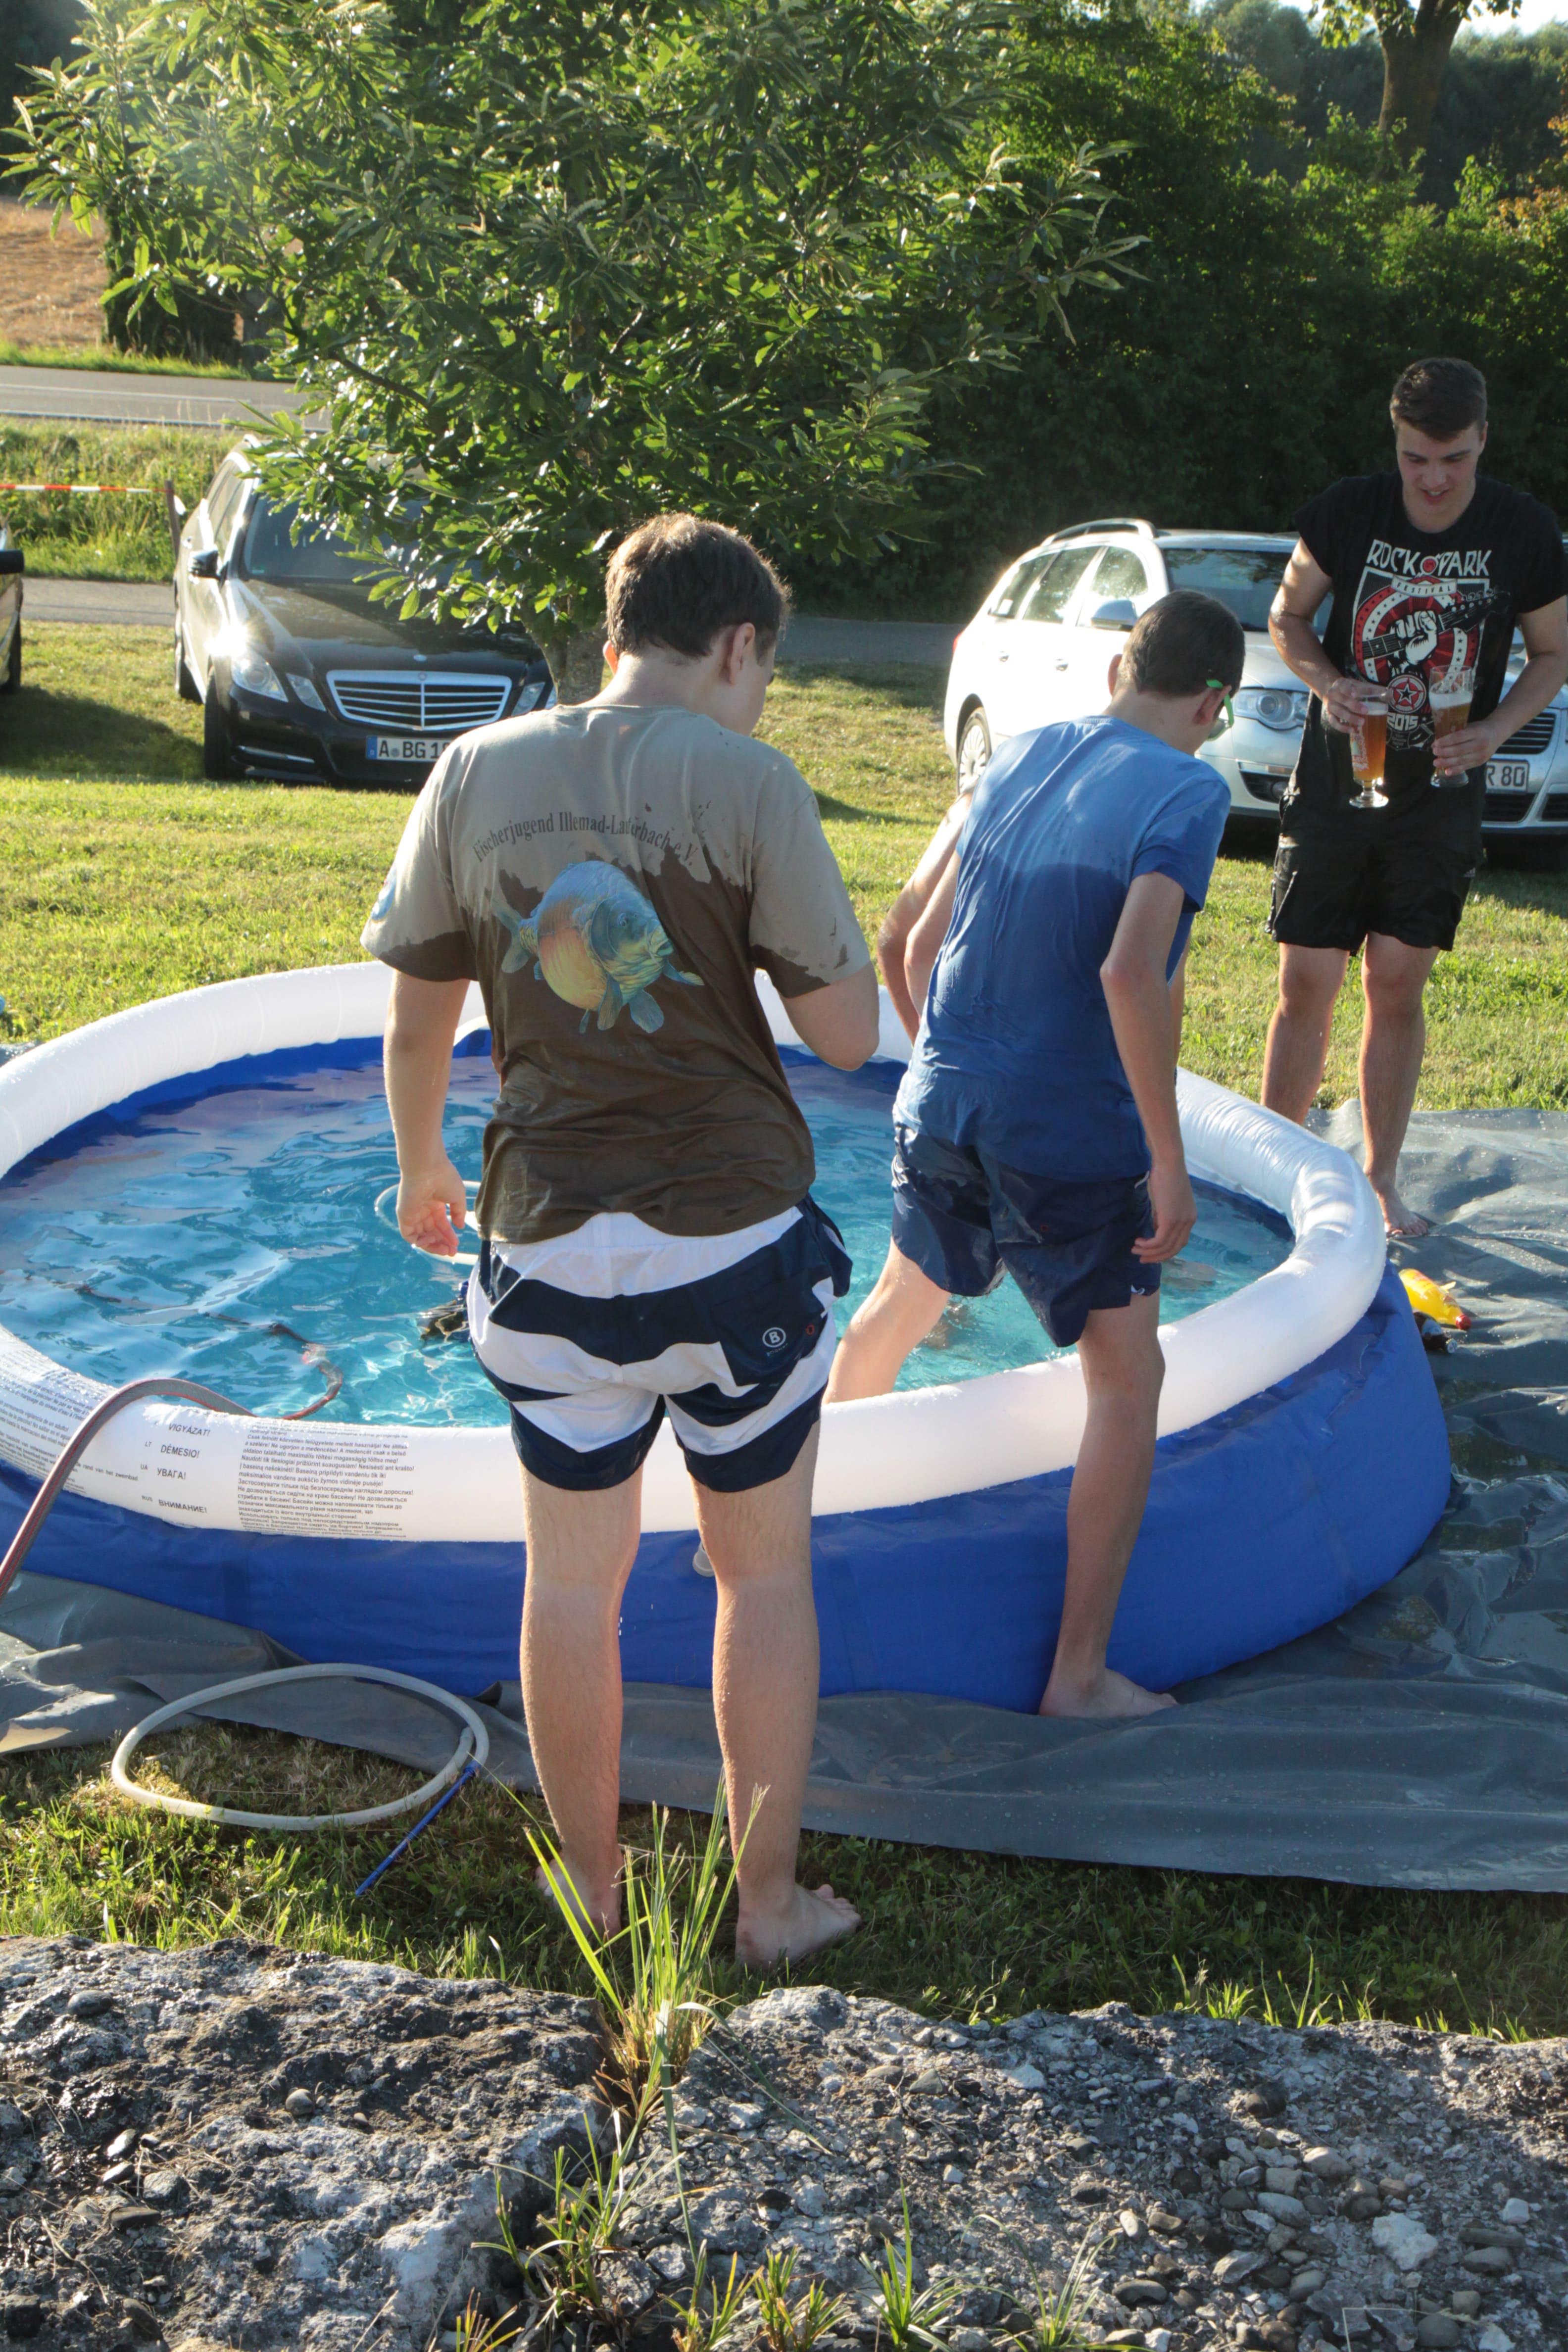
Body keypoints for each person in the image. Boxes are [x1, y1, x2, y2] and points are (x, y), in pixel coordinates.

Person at [363, 513, 880, 1965]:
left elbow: (416, 1016)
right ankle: (766, 1909)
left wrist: (419, 1164)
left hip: (545, 1250)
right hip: (734, 1251)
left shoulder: (474, 771)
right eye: (760, 673)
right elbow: (848, 1035)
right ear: (737, 646)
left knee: (572, 1583)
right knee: (761, 1576)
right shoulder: (752, 781)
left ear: (614, 639)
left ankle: (590, 1895)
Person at [826, 591, 1242, 1720]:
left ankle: (795, 1540)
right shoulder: (1190, 791)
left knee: (897, 1311)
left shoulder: (1012, 754)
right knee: (1128, 1383)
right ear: (1214, 704)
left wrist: (950, 1062)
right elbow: (1129, 971)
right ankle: (1079, 1676)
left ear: (1118, 670)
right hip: (1064, 1134)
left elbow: (906, 936)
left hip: (940, 1102)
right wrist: (1167, 1159)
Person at [1263, 356, 1568, 1237]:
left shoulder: (1522, 529)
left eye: (1454, 459)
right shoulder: (1348, 510)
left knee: (1396, 982)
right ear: (1394, 443)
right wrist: (1327, 682)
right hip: (1337, 780)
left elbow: (1554, 653)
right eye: (1415, 459)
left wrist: (1495, 730)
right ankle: (1270, 1174)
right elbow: (1287, 617)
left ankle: (1380, 1181)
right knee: (1307, 979)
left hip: (1439, 793)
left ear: (1483, 440)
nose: (1433, 480)